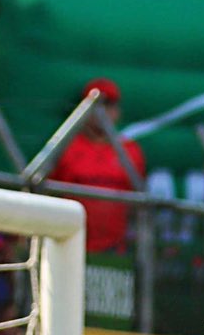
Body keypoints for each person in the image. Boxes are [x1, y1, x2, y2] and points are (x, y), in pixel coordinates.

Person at [48, 77, 145, 255]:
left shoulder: (131, 150)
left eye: (109, 104)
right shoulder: (65, 147)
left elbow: (138, 204)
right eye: (96, 105)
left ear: (117, 110)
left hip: (116, 250)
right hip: (68, 243)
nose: (103, 112)